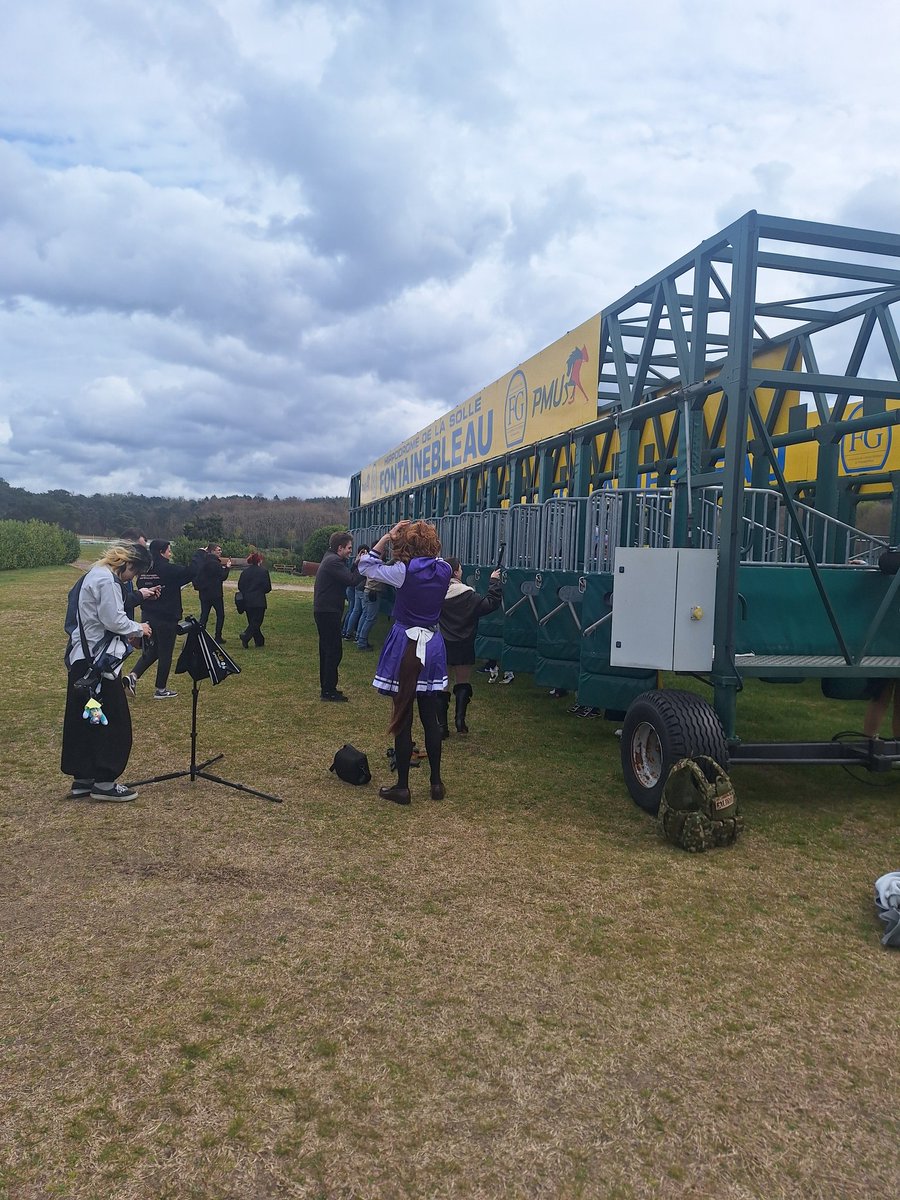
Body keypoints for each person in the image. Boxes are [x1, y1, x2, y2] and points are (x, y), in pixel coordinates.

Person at [358, 520, 452, 805]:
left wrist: (387, 537)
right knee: (430, 717)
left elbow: (364, 565)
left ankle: (403, 786)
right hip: (433, 644)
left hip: (405, 642)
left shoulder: (403, 572)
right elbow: (433, 560)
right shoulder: (445, 569)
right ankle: (436, 783)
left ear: (407, 545)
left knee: (403, 716)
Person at [61, 542, 152, 802]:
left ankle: (84, 777)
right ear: (129, 564)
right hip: (100, 667)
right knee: (113, 721)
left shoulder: (93, 574)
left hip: (82, 661)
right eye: (133, 574)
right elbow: (114, 620)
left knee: (87, 718)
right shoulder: (108, 582)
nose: (131, 579)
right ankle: (104, 781)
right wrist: (140, 628)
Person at [439, 558, 502, 734]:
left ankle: (442, 726)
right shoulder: (468, 595)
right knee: (462, 682)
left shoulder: (437, 594)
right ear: (457, 572)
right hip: (464, 643)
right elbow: (491, 604)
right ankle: (460, 721)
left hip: (443, 643)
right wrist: (494, 582)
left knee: (443, 683)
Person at [126, 539, 195, 699]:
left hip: (148, 616)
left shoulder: (145, 570)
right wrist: (200, 554)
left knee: (154, 650)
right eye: (169, 550)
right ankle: (161, 689)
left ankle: (133, 676)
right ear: (162, 552)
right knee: (165, 653)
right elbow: (190, 572)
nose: (170, 554)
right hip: (166, 618)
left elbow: (142, 583)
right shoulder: (168, 569)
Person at [313, 531, 360, 702]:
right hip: (328, 611)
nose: (350, 551)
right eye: (348, 548)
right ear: (339, 548)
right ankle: (328, 690)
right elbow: (352, 580)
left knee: (327, 650)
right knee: (333, 651)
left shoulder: (330, 558)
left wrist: (354, 565)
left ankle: (328, 688)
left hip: (324, 610)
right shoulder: (334, 562)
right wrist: (363, 566)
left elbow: (347, 576)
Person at [192, 543, 232, 642]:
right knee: (220, 615)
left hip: (204, 593)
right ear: (212, 551)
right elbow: (222, 577)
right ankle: (218, 636)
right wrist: (227, 567)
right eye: (218, 550)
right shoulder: (215, 563)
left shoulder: (203, 562)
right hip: (216, 594)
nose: (220, 552)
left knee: (204, 615)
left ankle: (199, 635)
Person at [238, 552, 272, 647]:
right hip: (259, 600)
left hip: (247, 601)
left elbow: (240, 586)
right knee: (257, 622)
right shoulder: (263, 571)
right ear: (259, 560)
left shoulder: (244, 572)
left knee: (252, 622)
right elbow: (267, 588)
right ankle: (246, 636)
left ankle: (259, 641)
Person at [342, 546, 370, 640]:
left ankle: (346, 631)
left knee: (354, 610)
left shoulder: (356, 561)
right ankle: (348, 632)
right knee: (355, 610)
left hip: (354, 588)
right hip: (356, 588)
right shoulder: (361, 562)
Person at [355, 574, 385, 651]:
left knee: (365, 616)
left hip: (367, 590)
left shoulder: (370, 563)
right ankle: (362, 642)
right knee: (370, 619)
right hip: (373, 592)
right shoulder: (377, 564)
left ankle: (359, 638)